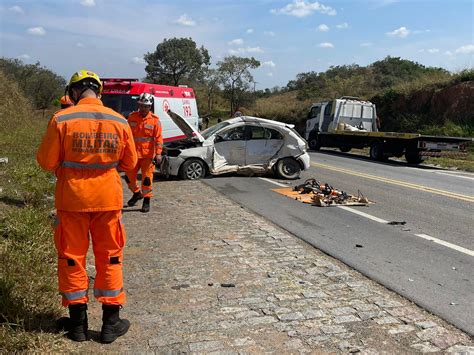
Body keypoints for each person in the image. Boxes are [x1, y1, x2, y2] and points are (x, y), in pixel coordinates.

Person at [37, 70, 138, 343]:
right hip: (107, 201)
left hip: (71, 201)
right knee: (111, 257)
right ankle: (110, 325)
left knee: (72, 258)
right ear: (99, 92)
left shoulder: (61, 119)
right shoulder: (119, 121)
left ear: (73, 92)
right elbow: (130, 164)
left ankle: (77, 326)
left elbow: (46, 162)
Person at [125, 93, 163, 213]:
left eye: (145, 106)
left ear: (149, 107)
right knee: (128, 177)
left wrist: (158, 153)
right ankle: (136, 193)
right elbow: (126, 135)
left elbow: (159, 139)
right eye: (141, 105)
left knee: (146, 179)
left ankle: (146, 201)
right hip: (133, 154)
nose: (142, 108)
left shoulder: (155, 121)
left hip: (147, 156)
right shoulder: (131, 117)